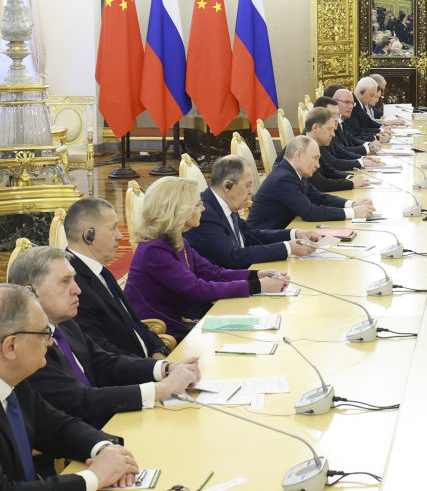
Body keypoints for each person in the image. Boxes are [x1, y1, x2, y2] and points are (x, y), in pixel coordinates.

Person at [8, 247, 200, 428]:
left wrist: (166, 368)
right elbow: (79, 400)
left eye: (74, 279)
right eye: (65, 281)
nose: (77, 289)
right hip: (83, 434)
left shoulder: (66, 323)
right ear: (30, 293)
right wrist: (161, 389)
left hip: (104, 424)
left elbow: (105, 363)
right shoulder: (26, 345)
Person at [0, 283, 141, 489]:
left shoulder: (16, 383)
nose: (50, 343)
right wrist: (95, 477)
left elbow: (56, 427)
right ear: (11, 346)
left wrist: (105, 450)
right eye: (43, 334)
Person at [125, 177, 289, 338]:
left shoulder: (177, 240)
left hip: (178, 323)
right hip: (159, 333)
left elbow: (213, 272)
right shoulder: (154, 249)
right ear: (178, 211)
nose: (203, 209)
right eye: (197, 205)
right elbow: (197, 289)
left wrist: (256, 275)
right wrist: (258, 286)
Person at [62, 197, 169, 358]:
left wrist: (159, 349)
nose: (120, 236)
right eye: (113, 229)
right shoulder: (74, 285)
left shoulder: (99, 270)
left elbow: (134, 323)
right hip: (130, 370)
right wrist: (155, 368)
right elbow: (102, 352)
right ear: (89, 235)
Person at [184, 156, 324, 269]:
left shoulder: (225, 202)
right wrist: (287, 248)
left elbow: (251, 235)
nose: (251, 191)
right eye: (248, 185)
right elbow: (233, 257)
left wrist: (295, 234)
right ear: (227, 186)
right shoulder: (205, 214)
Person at [247, 136, 374, 230]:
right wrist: (353, 213)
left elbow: (318, 197)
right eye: (315, 158)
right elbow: (309, 213)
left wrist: (352, 204)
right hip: (263, 240)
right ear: (299, 155)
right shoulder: (283, 178)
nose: (318, 165)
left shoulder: (293, 172)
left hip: (284, 230)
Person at [299, 107, 370, 192]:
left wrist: (351, 177)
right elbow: (320, 184)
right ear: (315, 128)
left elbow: (328, 171)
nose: (333, 134)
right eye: (329, 129)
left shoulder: (313, 143)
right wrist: (350, 183)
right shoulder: (302, 148)